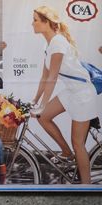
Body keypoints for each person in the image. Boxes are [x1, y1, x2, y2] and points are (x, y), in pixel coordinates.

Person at [30, 6, 99, 184]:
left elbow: (53, 77)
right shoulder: (48, 44)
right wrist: (35, 101)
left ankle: (87, 187)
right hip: (71, 91)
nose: (33, 23)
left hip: (83, 94)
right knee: (43, 117)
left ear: (46, 22)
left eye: (36, 20)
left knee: (78, 144)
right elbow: (44, 77)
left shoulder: (58, 43)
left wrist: (43, 104)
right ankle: (66, 153)